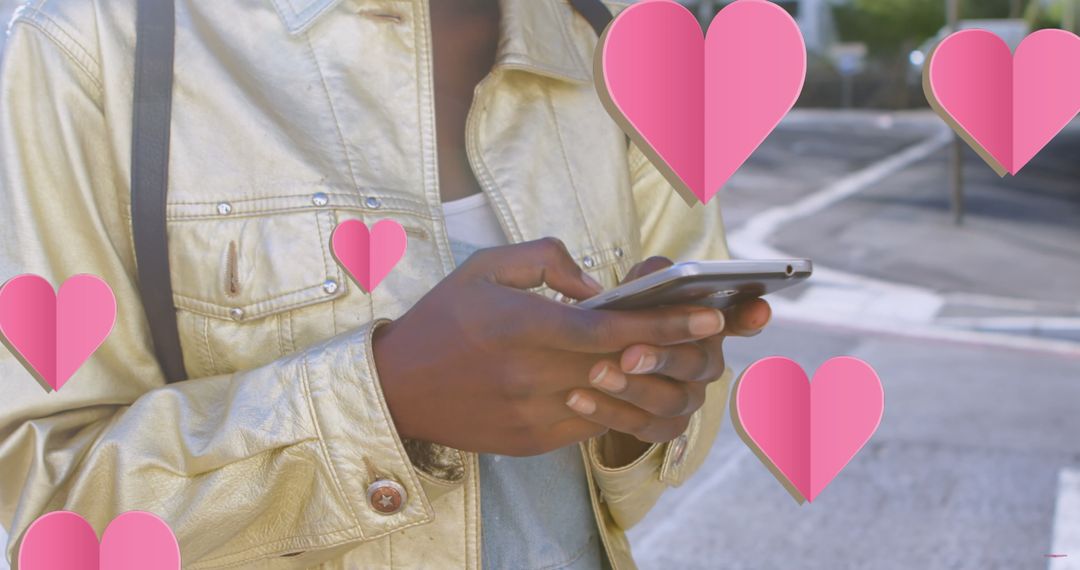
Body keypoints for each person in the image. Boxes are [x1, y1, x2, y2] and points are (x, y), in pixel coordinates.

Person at [0, 0, 771, 568]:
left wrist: (638, 407)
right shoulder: (94, 45)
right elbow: (45, 506)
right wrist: (380, 402)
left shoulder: (619, 49)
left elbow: (637, 488)